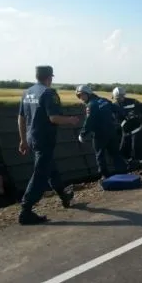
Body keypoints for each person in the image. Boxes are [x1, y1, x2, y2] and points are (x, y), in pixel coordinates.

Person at [17, 65, 79, 225]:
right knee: (40, 173)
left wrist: (23, 139)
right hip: (44, 139)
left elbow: (21, 118)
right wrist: (70, 120)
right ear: (49, 77)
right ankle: (26, 209)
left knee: (50, 167)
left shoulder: (27, 92)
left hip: (32, 137)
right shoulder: (48, 93)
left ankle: (64, 196)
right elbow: (54, 118)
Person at [75, 85, 127, 180]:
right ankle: (123, 173)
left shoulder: (91, 105)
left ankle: (105, 176)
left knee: (100, 155)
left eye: (81, 95)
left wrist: (82, 134)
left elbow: (89, 121)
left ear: (87, 94)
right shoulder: (104, 100)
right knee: (115, 154)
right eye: (78, 96)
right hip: (111, 132)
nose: (80, 98)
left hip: (99, 135)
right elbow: (117, 109)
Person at [111, 86, 142, 174]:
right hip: (126, 132)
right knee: (123, 151)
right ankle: (131, 165)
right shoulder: (114, 106)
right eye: (118, 97)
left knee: (137, 150)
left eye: (121, 96)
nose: (120, 98)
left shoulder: (132, 102)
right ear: (115, 97)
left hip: (137, 130)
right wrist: (126, 120)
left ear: (124, 95)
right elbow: (117, 120)